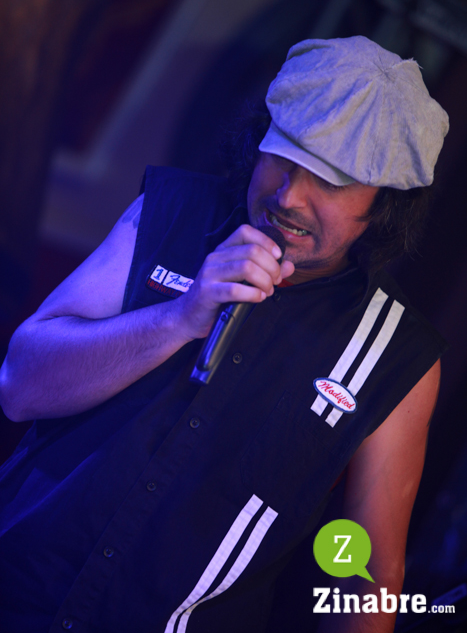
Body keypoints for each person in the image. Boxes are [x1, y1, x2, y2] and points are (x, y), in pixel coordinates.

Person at [0, 36, 449, 633]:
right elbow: (19, 386)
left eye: (331, 182)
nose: (289, 196)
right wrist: (178, 318)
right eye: (283, 158)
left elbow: (368, 572)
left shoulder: (395, 350)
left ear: (385, 204)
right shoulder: (171, 213)